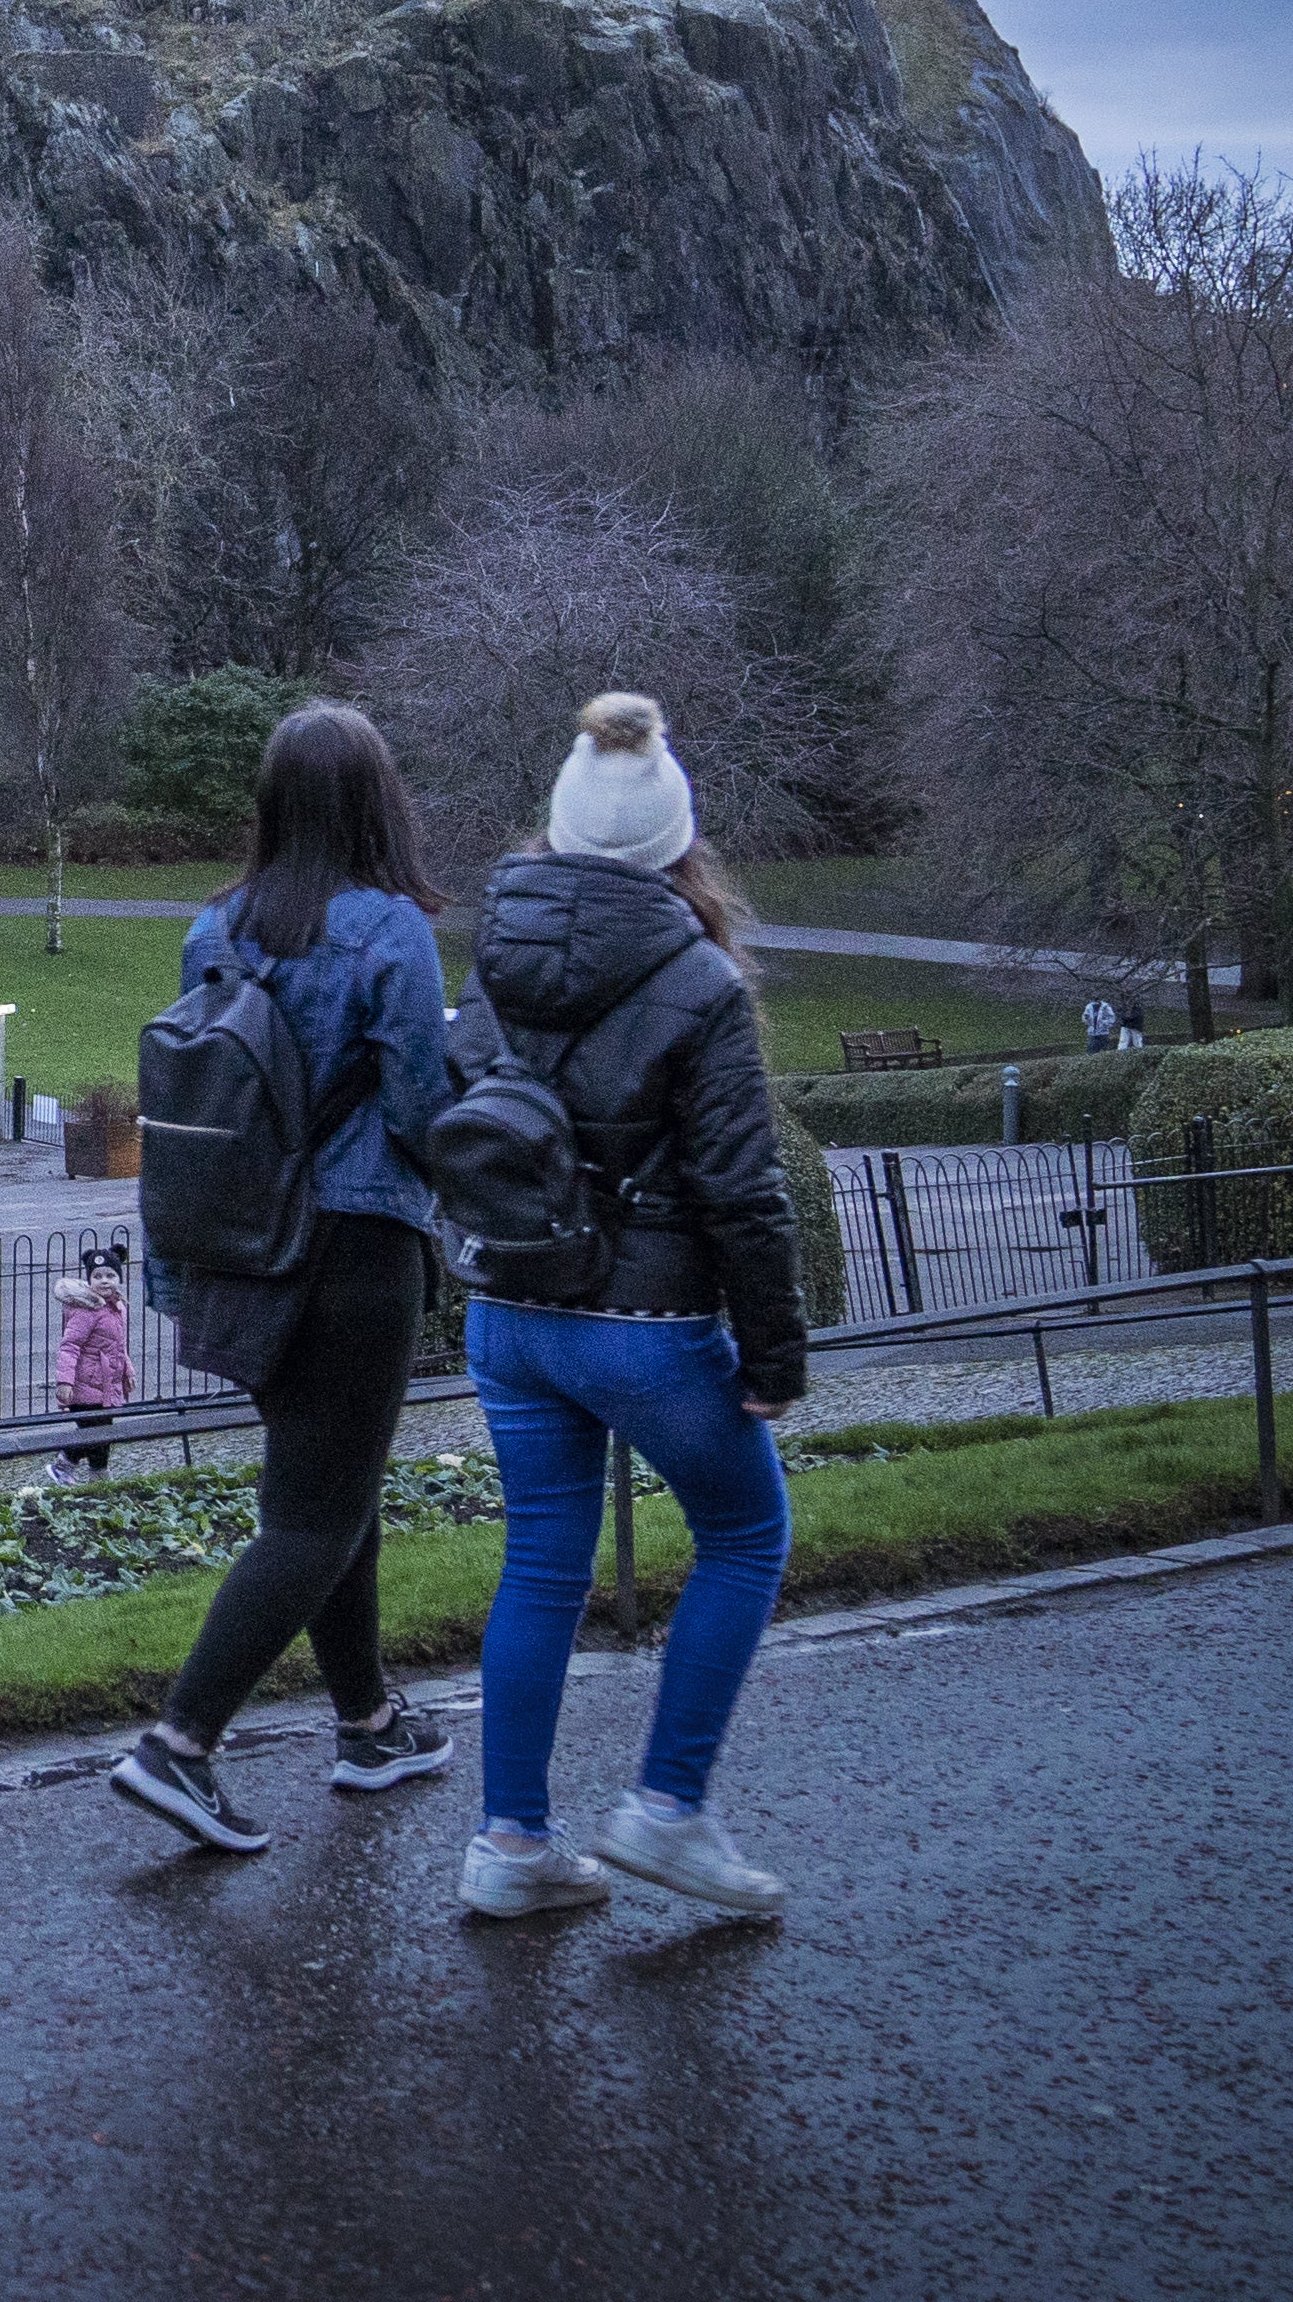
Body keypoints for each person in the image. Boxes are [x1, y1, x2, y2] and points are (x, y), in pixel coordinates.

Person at [455, 693, 812, 1926]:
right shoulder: (700, 976)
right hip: (645, 1325)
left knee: (540, 1562)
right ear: (677, 841)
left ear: (556, 827)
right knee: (746, 1534)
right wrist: (773, 1352)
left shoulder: (496, 942)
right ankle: (667, 1809)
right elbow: (742, 1188)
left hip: (508, 1304)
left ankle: (511, 1843)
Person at [109, 700, 460, 1857]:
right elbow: (415, 1109)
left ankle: (367, 1721)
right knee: (313, 1511)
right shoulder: (393, 929)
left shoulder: (212, 926)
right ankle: (182, 1744)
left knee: (328, 1490)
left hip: (244, 1246)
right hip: (357, 1246)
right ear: (377, 800)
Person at [49, 1239, 133, 1480]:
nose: (104, 1281)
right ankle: (64, 1465)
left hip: (106, 1386)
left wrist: (128, 1370)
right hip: (85, 1385)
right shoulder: (88, 1310)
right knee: (95, 1435)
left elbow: (117, 1345)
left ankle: (99, 1478)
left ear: (118, 1278)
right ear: (89, 1280)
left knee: (103, 1435)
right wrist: (65, 1382)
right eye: (97, 1276)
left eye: (110, 1275)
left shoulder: (116, 1307)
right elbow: (70, 1346)